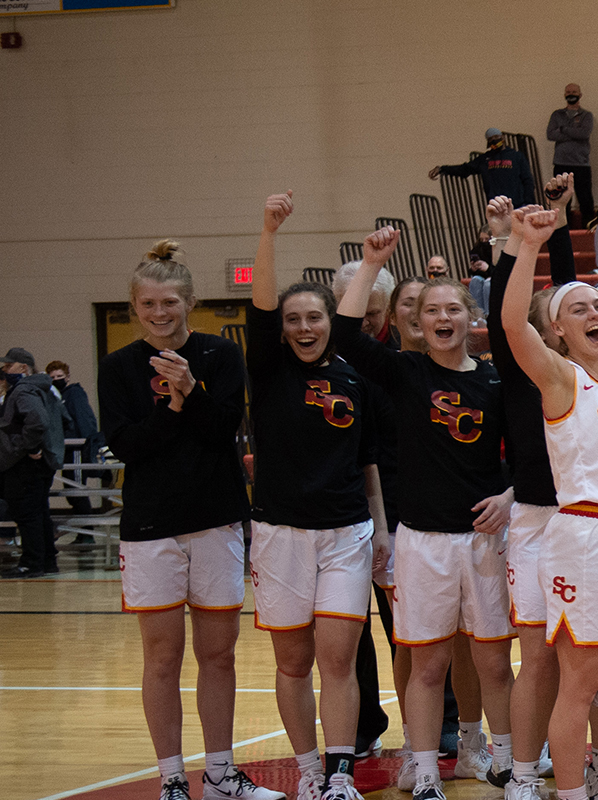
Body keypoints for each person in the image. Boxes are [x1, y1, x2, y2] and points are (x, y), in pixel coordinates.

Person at [334, 227, 518, 800]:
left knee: (492, 666)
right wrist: (369, 264)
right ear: (419, 324)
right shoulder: (405, 373)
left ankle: (510, 767)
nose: (442, 318)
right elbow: (344, 332)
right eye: (431, 311)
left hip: (484, 542)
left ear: (469, 319)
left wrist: (510, 497)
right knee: (427, 666)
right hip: (423, 542)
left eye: (452, 310)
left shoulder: (495, 380)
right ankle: (422, 771)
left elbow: (532, 458)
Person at [100, 240, 281, 800]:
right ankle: (173, 778)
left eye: (170, 303)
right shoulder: (119, 367)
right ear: (134, 308)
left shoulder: (219, 356)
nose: (160, 313)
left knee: (218, 654)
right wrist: (174, 404)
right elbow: (129, 445)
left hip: (216, 522)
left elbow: (224, 426)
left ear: (190, 302)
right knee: (161, 657)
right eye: (149, 304)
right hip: (150, 529)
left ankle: (222, 774)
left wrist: (191, 390)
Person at [501, 204, 598, 800]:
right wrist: (523, 246)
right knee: (581, 683)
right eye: (578, 309)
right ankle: (570, 794)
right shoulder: (560, 378)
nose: (596, 313)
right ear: (559, 332)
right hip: (585, 536)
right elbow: (514, 324)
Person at [247, 192, 380, 800]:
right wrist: (269, 233)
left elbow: (370, 462)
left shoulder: (353, 371)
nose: (304, 327)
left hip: (346, 533)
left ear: (331, 323)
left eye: (315, 318)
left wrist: (380, 530)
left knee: (338, 660)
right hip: (279, 534)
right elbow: (259, 300)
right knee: (293, 663)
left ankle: (339, 775)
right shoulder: (269, 369)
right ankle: (305, 771)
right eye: (294, 319)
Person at [1, 347, 63, 578]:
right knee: (39, 513)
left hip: (25, 464)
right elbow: (62, 419)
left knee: (27, 514)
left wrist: (32, 446)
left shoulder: (24, 389)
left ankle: (31, 563)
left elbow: (37, 421)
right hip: (43, 462)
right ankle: (47, 561)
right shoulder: (45, 388)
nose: (5, 370)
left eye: (9, 366)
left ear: (23, 368)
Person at [43, 359, 102, 516]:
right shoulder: (53, 397)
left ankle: (87, 533)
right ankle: (83, 532)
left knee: (76, 489)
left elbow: (84, 419)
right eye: (53, 377)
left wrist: (89, 444)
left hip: (76, 448)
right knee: (70, 491)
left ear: (67, 377)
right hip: (65, 449)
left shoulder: (74, 394)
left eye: (60, 376)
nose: (56, 380)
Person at [429, 128, 536, 207]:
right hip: (497, 207)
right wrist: (442, 169)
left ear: (502, 138)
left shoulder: (516, 156)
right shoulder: (484, 159)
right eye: (491, 139)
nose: (494, 141)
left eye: (496, 137)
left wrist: (528, 202)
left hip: (518, 204)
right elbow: (464, 169)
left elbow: (527, 180)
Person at [548, 83, 596, 223]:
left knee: (585, 199)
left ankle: (588, 229)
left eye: (574, 91)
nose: (571, 94)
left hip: (581, 164)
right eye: (568, 91)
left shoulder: (587, 115)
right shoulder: (557, 115)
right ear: (564, 95)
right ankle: (564, 229)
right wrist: (574, 132)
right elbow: (550, 134)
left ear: (580, 95)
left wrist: (563, 129)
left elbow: (584, 133)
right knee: (562, 201)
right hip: (561, 163)